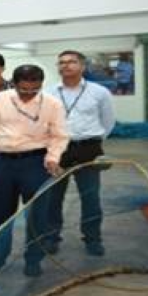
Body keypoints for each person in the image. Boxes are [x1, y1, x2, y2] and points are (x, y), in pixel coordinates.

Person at [0, 64, 69, 277]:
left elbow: (59, 136)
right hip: (3, 163)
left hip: (35, 163)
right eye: (23, 90)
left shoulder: (53, 104)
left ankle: (33, 258)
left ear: (41, 85)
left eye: (34, 90)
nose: (29, 94)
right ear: (14, 83)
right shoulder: (1, 99)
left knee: (37, 214)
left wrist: (52, 158)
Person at [45, 50, 116, 256]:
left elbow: (108, 122)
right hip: (58, 150)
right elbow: (45, 123)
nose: (66, 66)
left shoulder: (99, 92)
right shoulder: (49, 93)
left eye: (71, 62)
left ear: (82, 67)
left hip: (89, 150)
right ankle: (51, 237)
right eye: (62, 62)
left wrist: (92, 141)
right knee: (53, 197)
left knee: (90, 196)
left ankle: (92, 238)